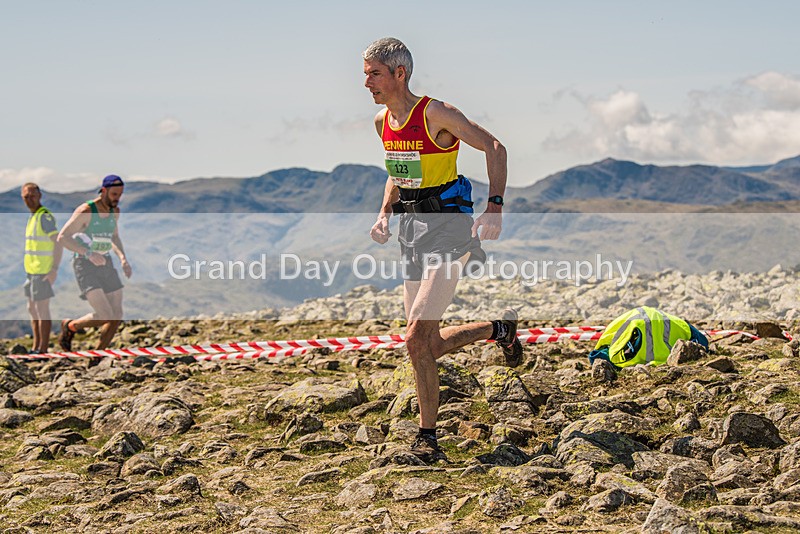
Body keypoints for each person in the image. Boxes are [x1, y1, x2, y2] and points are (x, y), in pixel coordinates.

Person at [363, 37, 522, 461]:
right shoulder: (382, 122)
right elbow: (397, 172)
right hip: (411, 230)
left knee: (415, 338)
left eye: (374, 73)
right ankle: (498, 329)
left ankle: (427, 439)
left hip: (449, 227)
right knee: (425, 344)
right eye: (365, 74)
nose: (367, 83)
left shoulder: (434, 113)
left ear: (400, 73)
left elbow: (495, 147)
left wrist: (495, 208)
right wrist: (384, 213)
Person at [57, 175, 132, 352]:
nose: (117, 198)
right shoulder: (86, 211)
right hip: (85, 265)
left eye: (120, 194)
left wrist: (123, 258)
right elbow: (63, 238)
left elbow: (114, 237)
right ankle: (71, 326)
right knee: (105, 315)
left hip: (106, 262)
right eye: (114, 194)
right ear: (103, 191)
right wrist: (88, 253)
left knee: (116, 316)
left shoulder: (115, 211)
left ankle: (96, 357)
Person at [22, 183, 63, 354]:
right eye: (26, 196)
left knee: (42, 309)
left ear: (39, 196)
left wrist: (54, 269)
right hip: (32, 271)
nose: (29, 199)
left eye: (32, 196)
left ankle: (43, 349)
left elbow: (58, 243)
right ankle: (36, 346)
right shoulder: (33, 217)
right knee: (32, 308)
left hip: (43, 271)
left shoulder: (44, 217)